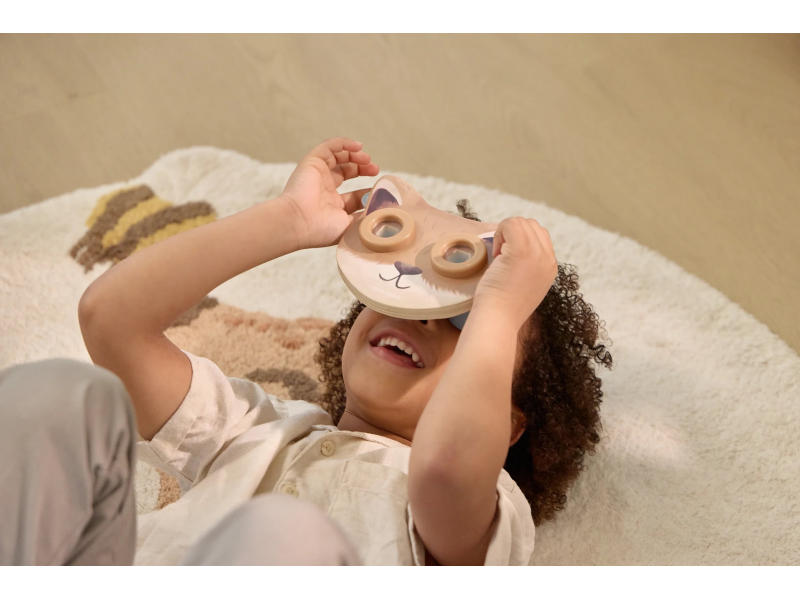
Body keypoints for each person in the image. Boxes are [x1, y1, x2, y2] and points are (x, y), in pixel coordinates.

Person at [0, 138, 611, 566]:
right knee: (57, 395)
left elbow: (449, 469)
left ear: (508, 426)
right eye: (402, 297)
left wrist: (501, 305)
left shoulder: (478, 517)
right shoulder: (259, 430)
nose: (422, 316)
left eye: (462, 321)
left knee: (282, 534)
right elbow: (112, 320)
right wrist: (288, 219)